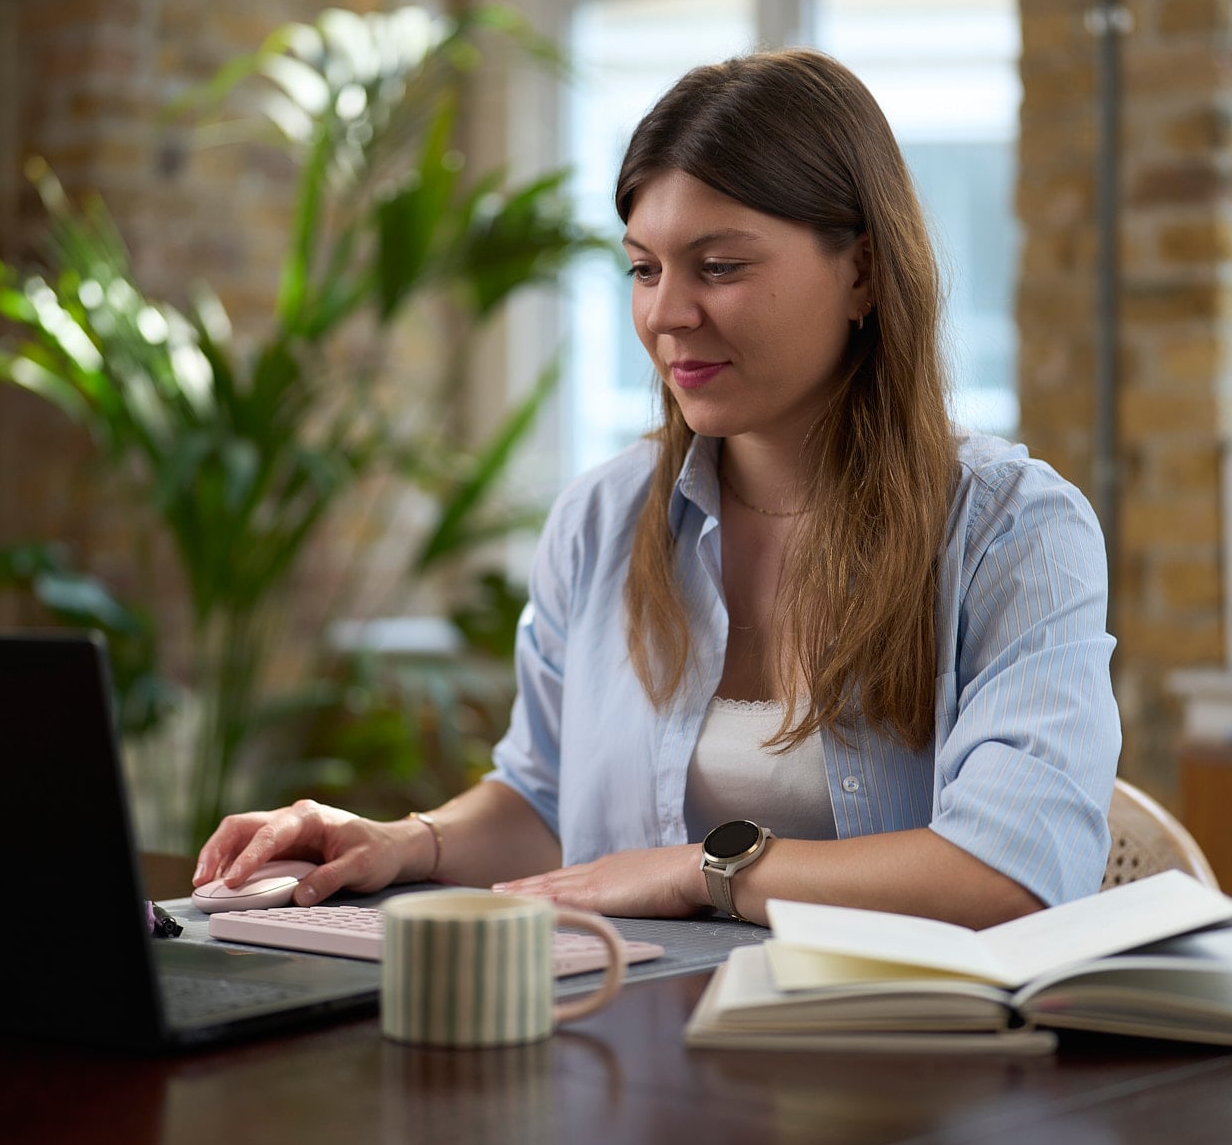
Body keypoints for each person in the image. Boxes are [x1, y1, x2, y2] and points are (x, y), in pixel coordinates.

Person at [194, 49, 1121, 929]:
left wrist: (702, 868)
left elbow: (1015, 874)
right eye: (644, 268)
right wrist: (403, 841)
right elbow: (545, 800)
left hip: (906, 1067)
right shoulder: (600, 520)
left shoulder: (1014, 531)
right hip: (632, 1046)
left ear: (864, 272)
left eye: (719, 267)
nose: (666, 314)